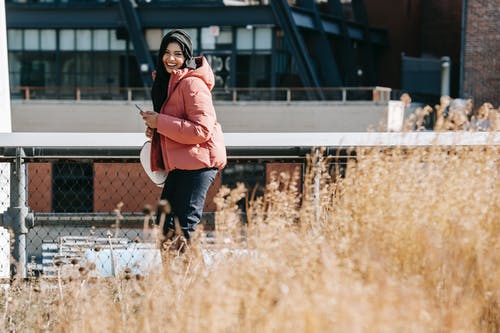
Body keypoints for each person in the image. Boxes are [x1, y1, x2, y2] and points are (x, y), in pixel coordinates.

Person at [141, 29, 227, 243]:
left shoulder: (192, 83)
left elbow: (201, 130)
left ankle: (193, 276)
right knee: (165, 225)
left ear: (187, 56)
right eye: (167, 52)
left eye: (178, 54)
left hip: (198, 163)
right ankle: (174, 276)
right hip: (181, 164)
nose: (171, 58)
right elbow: (178, 123)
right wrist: (156, 129)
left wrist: (160, 122)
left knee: (183, 228)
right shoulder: (169, 83)